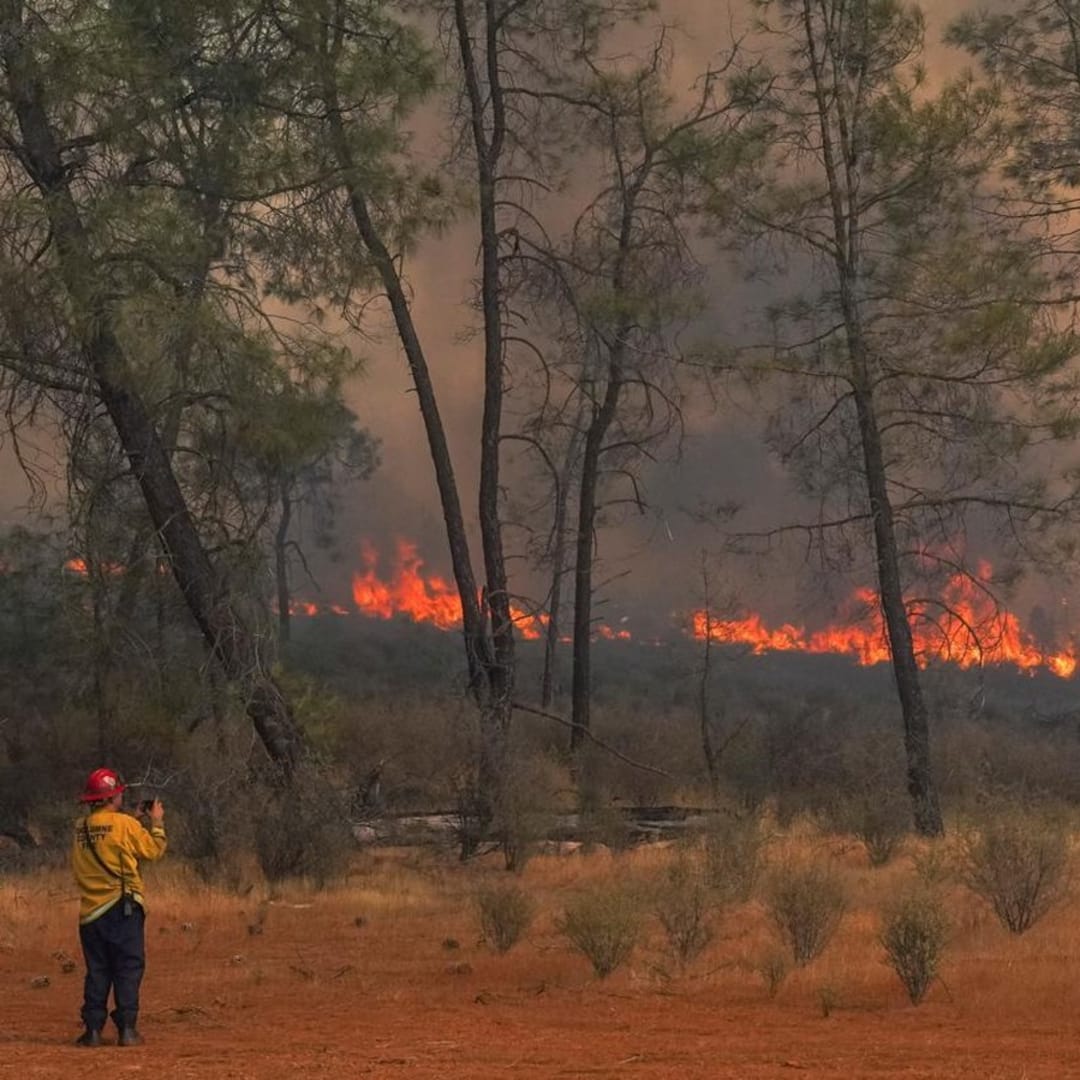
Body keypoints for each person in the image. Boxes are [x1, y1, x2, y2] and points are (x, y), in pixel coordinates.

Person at [70, 767, 167, 1048]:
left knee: (97, 969)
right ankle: (127, 1028)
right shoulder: (126, 825)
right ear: (113, 797)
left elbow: (106, 841)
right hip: (122, 908)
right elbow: (153, 850)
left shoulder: (80, 828)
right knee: (127, 967)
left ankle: (93, 1030)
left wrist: (132, 821)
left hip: (90, 913)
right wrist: (156, 822)